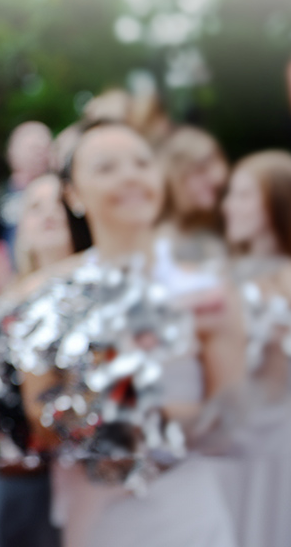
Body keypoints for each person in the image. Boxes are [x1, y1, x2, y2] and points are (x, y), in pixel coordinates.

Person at [36, 123, 244, 547]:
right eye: (107, 167)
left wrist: (134, 412)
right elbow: (38, 421)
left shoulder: (208, 290)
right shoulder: (50, 297)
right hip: (93, 513)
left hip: (186, 508)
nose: (130, 176)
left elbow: (232, 416)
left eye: (142, 163)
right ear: (73, 195)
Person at [0, 173, 76, 547]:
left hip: (70, 476)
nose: (50, 214)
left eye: (60, 205)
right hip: (11, 480)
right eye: (36, 206)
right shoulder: (5, 300)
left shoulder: (92, 293)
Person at [217, 149, 291, 547]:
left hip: (280, 450)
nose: (229, 207)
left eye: (243, 195)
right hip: (225, 448)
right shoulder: (221, 279)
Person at [155, 126, 230, 263]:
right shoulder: (155, 237)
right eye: (201, 170)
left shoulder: (227, 225)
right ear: (175, 175)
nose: (217, 177)